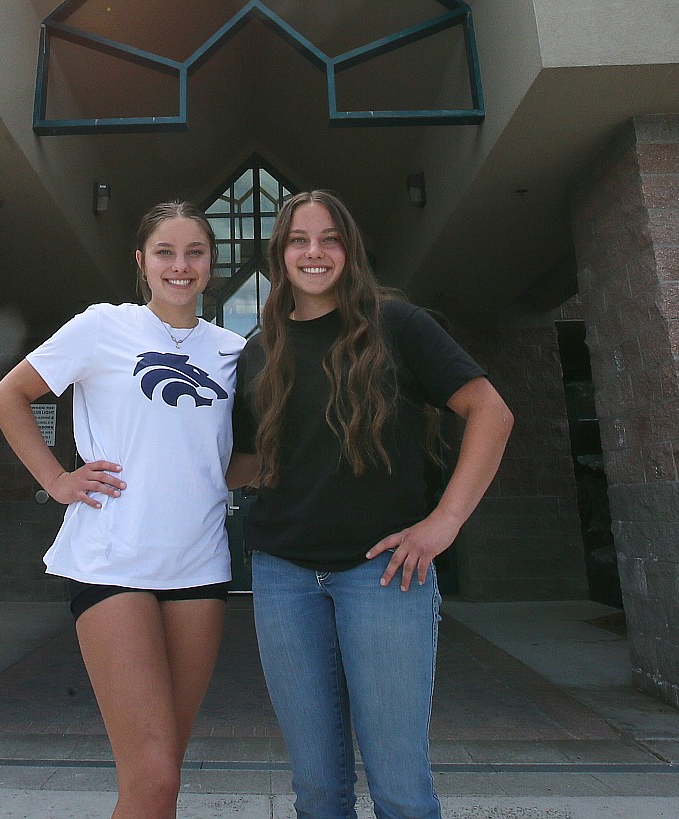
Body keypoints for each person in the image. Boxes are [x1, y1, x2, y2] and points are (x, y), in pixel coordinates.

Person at [228, 190, 514, 818]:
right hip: (282, 576)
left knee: (399, 788)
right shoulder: (259, 349)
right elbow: (246, 465)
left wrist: (444, 523)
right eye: (299, 240)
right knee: (319, 789)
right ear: (279, 256)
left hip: (383, 574)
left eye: (330, 238)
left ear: (350, 250)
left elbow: (490, 413)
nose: (314, 252)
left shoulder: (400, 327)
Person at [0, 201, 244, 818]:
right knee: (154, 780)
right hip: (113, 565)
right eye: (165, 252)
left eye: (194, 252)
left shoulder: (235, 352)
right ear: (141, 261)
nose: (179, 266)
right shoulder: (102, 327)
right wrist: (57, 479)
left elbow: (232, 460)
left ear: (212, 262)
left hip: (200, 570)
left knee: (158, 781)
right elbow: (10, 395)